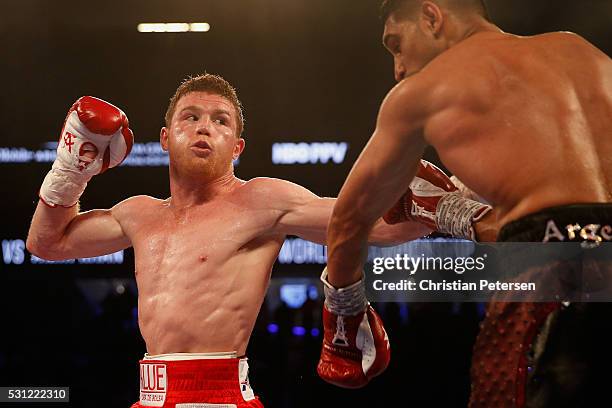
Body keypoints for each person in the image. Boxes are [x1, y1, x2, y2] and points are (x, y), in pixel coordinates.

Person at [26, 74, 494, 407]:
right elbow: (46, 244)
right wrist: (71, 169)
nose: (205, 126)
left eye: (220, 120)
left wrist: (442, 209)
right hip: (150, 395)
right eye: (190, 117)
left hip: (224, 396)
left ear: (237, 146)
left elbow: (363, 223)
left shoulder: (262, 201)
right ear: (166, 138)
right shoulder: (138, 213)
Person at [319, 1, 612, 407]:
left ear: (431, 16)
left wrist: (344, 315)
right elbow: (575, 219)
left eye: (397, 44)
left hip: (547, 282)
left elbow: (348, 222)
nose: (398, 69)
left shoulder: (424, 92)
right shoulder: (584, 53)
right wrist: (454, 210)